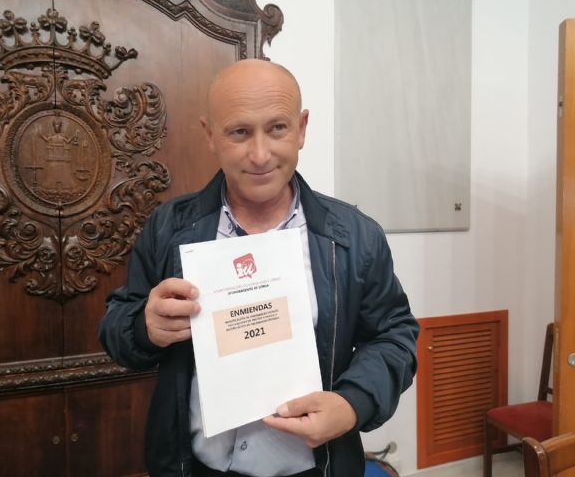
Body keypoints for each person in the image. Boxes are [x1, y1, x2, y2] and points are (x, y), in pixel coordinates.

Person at [99, 59, 419, 477]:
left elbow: (394, 337)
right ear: (210, 135)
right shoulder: (168, 228)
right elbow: (117, 326)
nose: (260, 154)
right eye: (239, 132)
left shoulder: (355, 236)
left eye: (277, 128)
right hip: (195, 468)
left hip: (316, 467)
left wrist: (352, 402)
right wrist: (144, 327)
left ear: (301, 129)